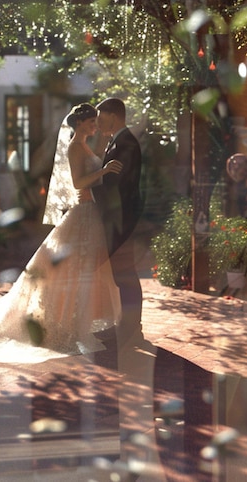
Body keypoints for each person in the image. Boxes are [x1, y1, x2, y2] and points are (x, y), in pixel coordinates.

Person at [0, 103, 122, 361]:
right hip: (84, 211)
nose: (95, 126)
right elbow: (78, 183)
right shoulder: (75, 147)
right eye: (91, 122)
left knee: (82, 269)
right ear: (80, 124)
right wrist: (104, 170)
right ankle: (64, 323)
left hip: (92, 212)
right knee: (72, 269)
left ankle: (77, 319)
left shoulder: (86, 145)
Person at [91, 97, 144, 349]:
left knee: (126, 275)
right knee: (121, 275)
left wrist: (91, 193)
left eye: (101, 117)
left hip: (122, 219)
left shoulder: (126, 144)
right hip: (116, 218)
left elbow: (117, 187)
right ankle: (127, 324)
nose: (99, 123)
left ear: (113, 115)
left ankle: (132, 328)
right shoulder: (116, 141)